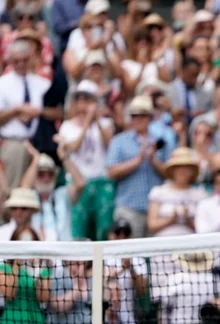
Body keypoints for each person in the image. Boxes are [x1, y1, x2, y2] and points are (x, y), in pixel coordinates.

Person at [106, 96, 173, 238]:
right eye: (134, 116)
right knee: (128, 255)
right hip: (129, 207)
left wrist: (153, 160)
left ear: (150, 118)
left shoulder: (162, 141)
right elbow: (111, 172)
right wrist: (137, 161)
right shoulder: (119, 141)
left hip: (156, 209)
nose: (138, 119)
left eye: (142, 115)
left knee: (156, 257)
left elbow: (171, 174)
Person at [58, 79, 114, 241]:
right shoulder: (67, 126)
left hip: (101, 181)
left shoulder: (105, 123)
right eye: (79, 99)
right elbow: (74, 146)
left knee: (103, 230)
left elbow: (108, 144)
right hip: (78, 183)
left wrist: (95, 120)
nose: (83, 103)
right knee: (78, 232)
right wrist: (87, 122)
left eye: (87, 99)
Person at [0, 39, 53, 191]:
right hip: (14, 142)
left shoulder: (43, 83)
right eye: (17, 61)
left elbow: (59, 112)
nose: (21, 64)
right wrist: (17, 110)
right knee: (14, 190)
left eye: (24, 60)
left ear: (30, 59)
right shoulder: (2, 84)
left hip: (40, 143)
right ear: (10, 61)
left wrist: (38, 112)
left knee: (41, 190)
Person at [146, 147, 208, 237]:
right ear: (172, 170)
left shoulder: (200, 195)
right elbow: (151, 225)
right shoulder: (158, 192)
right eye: (178, 167)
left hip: (191, 245)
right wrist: (170, 220)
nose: (182, 171)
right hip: (163, 243)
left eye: (187, 168)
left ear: (192, 171)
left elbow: (207, 228)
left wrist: (188, 221)